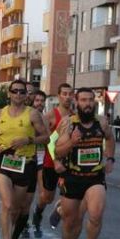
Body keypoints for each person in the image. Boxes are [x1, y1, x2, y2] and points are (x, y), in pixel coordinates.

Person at [0, 79, 49, 239]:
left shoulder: (33, 114)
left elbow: (46, 138)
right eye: (15, 91)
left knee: (16, 208)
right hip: (4, 162)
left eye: (22, 91)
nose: (18, 94)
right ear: (9, 93)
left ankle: (9, 237)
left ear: (26, 95)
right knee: (7, 204)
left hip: (25, 164)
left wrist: (28, 140)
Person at [55, 88, 115, 239]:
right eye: (83, 100)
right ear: (77, 102)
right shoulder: (68, 124)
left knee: (96, 214)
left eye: (90, 100)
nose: (88, 104)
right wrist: (71, 143)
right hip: (73, 177)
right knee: (70, 222)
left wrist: (110, 158)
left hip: (94, 177)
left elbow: (110, 138)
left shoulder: (102, 122)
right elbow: (58, 151)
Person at [33, 83, 74, 230]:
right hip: (51, 163)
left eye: (70, 94)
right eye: (64, 94)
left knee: (71, 196)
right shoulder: (49, 116)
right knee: (47, 198)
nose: (67, 97)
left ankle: (60, 210)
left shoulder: (75, 116)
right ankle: (38, 211)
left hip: (69, 164)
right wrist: (55, 160)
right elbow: (48, 141)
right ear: (59, 96)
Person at [21, 89, 46, 239]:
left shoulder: (46, 118)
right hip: (27, 158)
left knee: (44, 195)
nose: (40, 104)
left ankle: (38, 214)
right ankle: (24, 223)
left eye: (42, 101)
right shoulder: (27, 117)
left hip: (42, 159)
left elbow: (51, 139)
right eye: (37, 100)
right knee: (26, 197)